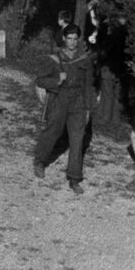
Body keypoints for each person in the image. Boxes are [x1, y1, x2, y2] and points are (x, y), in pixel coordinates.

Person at [33, 24, 94, 195]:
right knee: (52, 132)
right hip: (59, 99)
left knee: (77, 140)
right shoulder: (54, 59)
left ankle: (74, 178)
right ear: (64, 39)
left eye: (75, 39)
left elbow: (88, 85)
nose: (72, 42)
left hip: (78, 103)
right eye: (69, 38)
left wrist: (88, 107)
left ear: (78, 40)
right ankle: (40, 160)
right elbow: (40, 81)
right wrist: (56, 81)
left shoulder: (84, 59)